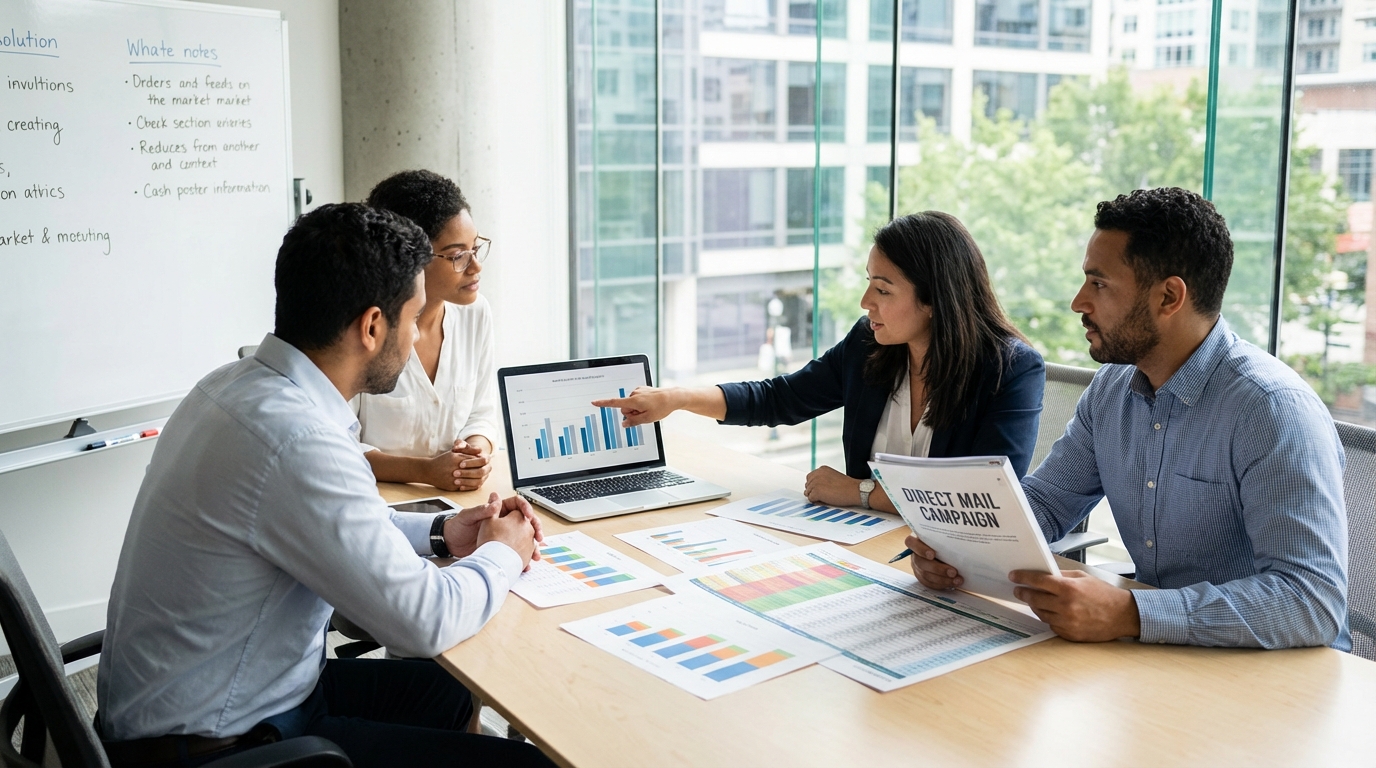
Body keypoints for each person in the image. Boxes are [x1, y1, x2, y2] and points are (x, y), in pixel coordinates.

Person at [97, 203, 552, 767]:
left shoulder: (234, 387)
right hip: (220, 746)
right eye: (412, 320)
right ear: (371, 326)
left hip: (226, 697)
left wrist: (444, 532)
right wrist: (503, 553)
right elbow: (422, 622)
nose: (415, 338)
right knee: (530, 761)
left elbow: (340, 515)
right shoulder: (296, 439)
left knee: (451, 688)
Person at [905, 187, 1350, 650]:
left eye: (1099, 284)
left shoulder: (1270, 411)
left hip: (1280, 680)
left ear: (1169, 297)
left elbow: (1311, 601)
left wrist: (1132, 612)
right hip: (1168, 656)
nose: (1079, 302)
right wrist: (957, 549)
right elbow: (1047, 503)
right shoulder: (1113, 389)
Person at [595, 211, 1045, 513]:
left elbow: (985, 500)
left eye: (883, 289)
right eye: (869, 283)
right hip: (864, 546)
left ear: (934, 300)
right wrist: (675, 398)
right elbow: (781, 399)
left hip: (953, 563)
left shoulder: (1010, 370)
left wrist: (860, 492)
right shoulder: (870, 344)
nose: (866, 301)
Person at [352, 170, 499, 492]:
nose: (475, 266)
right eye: (458, 255)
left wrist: (477, 453)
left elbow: (482, 412)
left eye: (476, 248)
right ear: (410, 258)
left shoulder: (475, 313)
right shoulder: (362, 328)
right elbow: (337, 446)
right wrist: (426, 471)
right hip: (376, 503)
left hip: (456, 500)